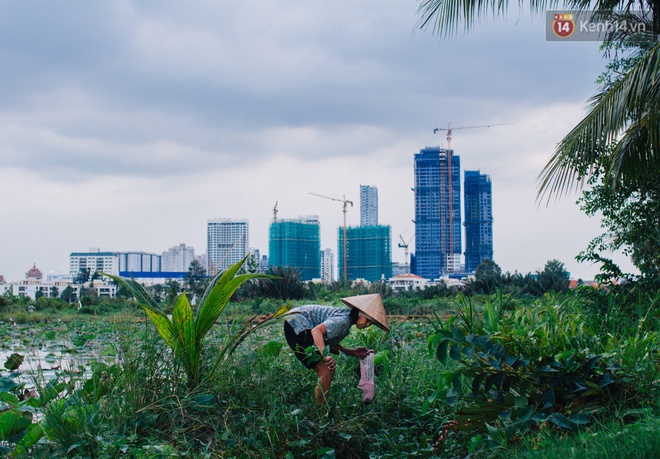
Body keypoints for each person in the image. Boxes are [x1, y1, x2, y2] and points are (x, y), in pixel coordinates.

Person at [283, 293, 389, 404]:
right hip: (297, 323)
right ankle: (320, 412)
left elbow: (324, 341)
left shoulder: (345, 320)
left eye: (371, 323)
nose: (367, 324)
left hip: (295, 321)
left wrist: (353, 352)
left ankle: (320, 409)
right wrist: (325, 355)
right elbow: (316, 331)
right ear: (358, 311)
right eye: (367, 319)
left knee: (326, 371)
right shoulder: (343, 321)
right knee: (326, 372)